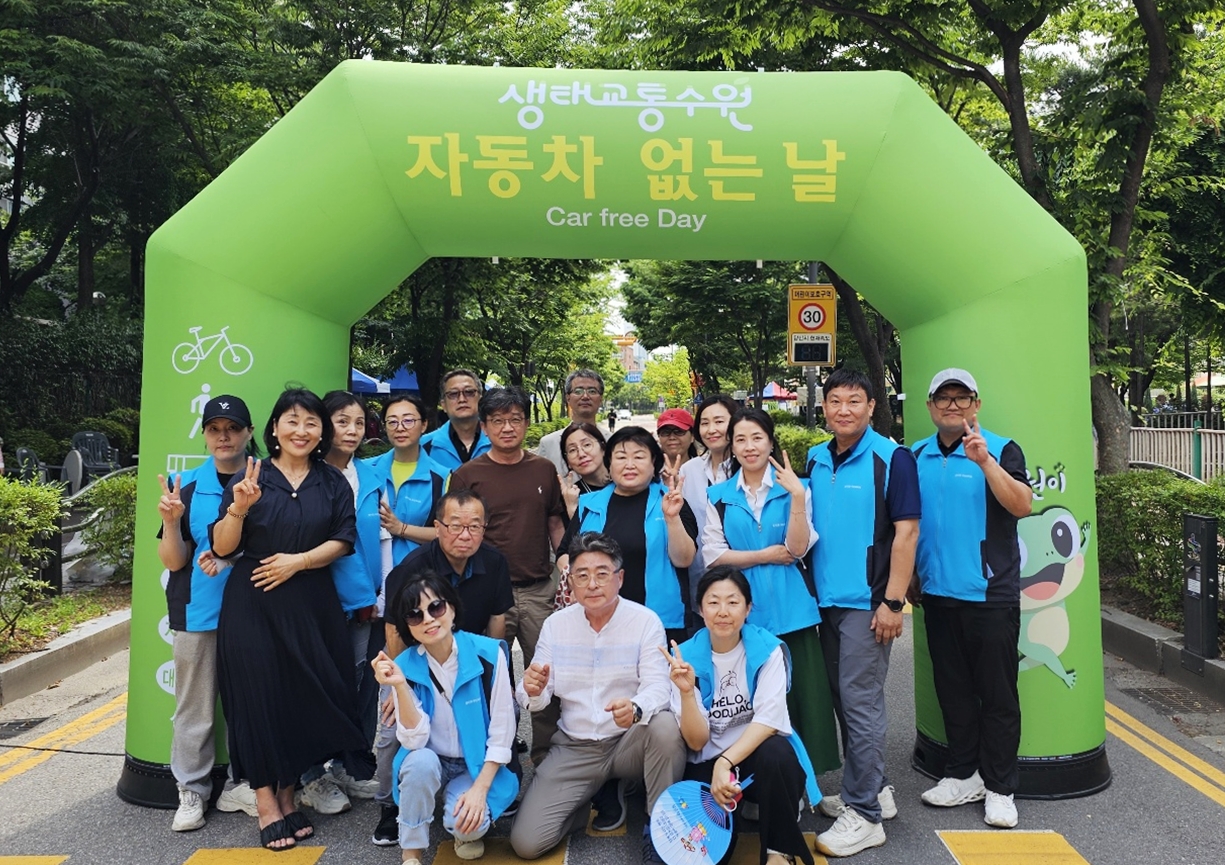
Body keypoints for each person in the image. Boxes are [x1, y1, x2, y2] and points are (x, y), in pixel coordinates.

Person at [209, 388, 370, 851]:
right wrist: (240, 505)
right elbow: (222, 547)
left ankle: (287, 794)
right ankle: (265, 805)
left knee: (300, 699)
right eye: (292, 421)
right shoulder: (249, 475)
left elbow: (343, 540)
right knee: (258, 698)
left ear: (322, 432)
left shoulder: (332, 481)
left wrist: (297, 562)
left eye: (312, 422)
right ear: (275, 427)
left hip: (312, 603)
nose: (302, 430)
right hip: (254, 601)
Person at [509, 532, 685, 863]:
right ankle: (588, 797)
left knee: (664, 728)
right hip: (575, 747)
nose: (592, 584)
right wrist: (531, 689)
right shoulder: (555, 625)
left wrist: (635, 708)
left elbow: (659, 687)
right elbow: (537, 694)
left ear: (620, 578)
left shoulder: (645, 621)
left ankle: (662, 829)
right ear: (570, 581)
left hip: (629, 740)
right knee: (527, 844)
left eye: (602, 573)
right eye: (582, 575)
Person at [804, 369, 920, 858]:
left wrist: (893, 602)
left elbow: (907, 533)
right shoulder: (812, 457)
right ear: (824, 407)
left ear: (872, 407)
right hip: (822, 601)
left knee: (861, 701)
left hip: (867, 604)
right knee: (842, 698)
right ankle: (874, 788)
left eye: (854, 401)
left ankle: (865, 814)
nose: (844, 409)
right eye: (835, 401)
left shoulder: (892, 458)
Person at [910, 368, 1032, 829]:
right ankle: (963, 774)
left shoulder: (1001, 448)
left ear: (976, 405)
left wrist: (984, 462)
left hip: (990, 594)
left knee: (998, 695)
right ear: (930, 408)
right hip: (937, 595)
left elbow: (1022, 504)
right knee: (954, 690)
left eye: (963, 398)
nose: (953, 406)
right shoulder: (915, 455)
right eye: (944, 399)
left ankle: (1001, 787)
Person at [702, 408, 840, 782]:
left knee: (805, 701)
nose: (749, 447)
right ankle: (759, 782)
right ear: (731, 445)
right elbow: (714, 555)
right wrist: (767, 555)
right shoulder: (718, 496)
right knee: (753, 702)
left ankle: (811, 783)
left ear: (770, 441)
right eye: (741, 439)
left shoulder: (798, 487)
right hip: (744, 613)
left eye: (757, 438)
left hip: (794, 609)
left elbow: (797, 548)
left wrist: (796, 497)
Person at [665, 565, 823, 865]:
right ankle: (746, 808)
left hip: (750, 758)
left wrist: (726, 762)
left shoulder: (767, 650)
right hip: (707, 764)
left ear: (748, 608)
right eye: (713, 602)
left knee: (778, 753)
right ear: (700, 609)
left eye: (733, 602)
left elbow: (768, 721)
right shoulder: (684, 659)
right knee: (712, 854)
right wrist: (686, 692)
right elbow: (697, 742)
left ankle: (779, 850)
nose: (723, 611)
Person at [155, 394, 259, 832]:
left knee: (254, 705)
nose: (224, 436)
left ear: (249, 434)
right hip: (198, 615)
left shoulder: (265, 480)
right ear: (204, 435)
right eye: (215, 428)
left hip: (256, 613)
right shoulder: (188, 485)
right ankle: (192, 792)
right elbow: (173, 561)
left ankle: (251, 784)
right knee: (194, 708)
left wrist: (232, 560)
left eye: (233, 428)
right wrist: (175, 522)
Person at [449, 387, 566, 765]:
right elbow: (456, 534)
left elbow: (554, 523)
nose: (507, 427)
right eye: (497, 420)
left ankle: (546, 758)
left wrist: (566, 567)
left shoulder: (543, 469)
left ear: (527, 424)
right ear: (484, 426)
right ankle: (495, 760)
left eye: (515, 419)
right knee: (488, 681)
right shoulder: (468, 474)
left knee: (545, 678)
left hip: (537, 590)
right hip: (486, 592)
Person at [372, 571, 518, 865]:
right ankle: (411, 852)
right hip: (431, 758)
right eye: (415, 615)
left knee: (469, 827)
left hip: (474, 764)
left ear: (451, 609)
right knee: (419, 763)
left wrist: (479, 791)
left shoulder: (488, 654)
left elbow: (503, 732)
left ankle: (460, 818)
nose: (428, 619)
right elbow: (414, 740)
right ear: (408, 626)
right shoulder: (404, 665)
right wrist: (399, 685)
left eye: (435, 607)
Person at [293, 391, 383, 817]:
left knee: (363, 684)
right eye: (342, 421)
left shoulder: (373, 474)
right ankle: (311, 775)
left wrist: (379, 595)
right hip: (319, 600)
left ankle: (351, 763)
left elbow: (382, 540)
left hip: (368, 602)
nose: (351, 430)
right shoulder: (305, 477)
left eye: (359, 423)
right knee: (317, 685)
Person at [559, 426, 698, 646]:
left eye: (639, 456)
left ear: (654, 465)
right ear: (610, 464)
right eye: (621, 457)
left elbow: (684, 559)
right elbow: (565, 553)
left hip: (660, 621)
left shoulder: (671, 500)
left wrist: (672, 518)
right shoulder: (589, 504)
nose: (629, 464)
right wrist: (575, 579)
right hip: (599, 617)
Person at [365, 393, 448, 569]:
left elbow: (447, 532)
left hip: (417, 575)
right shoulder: (366, 470)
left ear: (424, 425)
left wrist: (401, 528)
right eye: (392, 421)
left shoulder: (442, 477)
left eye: (408, 420)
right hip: (370, 576)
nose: (400, 428)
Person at [679, 394, 740, 593]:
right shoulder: (689, 471)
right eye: (704, 423)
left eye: (719, 421)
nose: (711, 429)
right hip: (700, 581)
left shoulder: (747, 469)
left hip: (745, 580)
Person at [537, 369, 606, 474]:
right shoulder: (549, 444)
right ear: (568, 398)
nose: (585, 396)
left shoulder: (612, 440)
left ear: (601, 399)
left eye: (592, 391)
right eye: (578, 391)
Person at [421, 369, 491, 471]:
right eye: (453, 394)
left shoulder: (498, 441)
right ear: (443, 405)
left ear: (480, 399)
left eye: (469, 392)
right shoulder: (424, 446)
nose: (462, 399)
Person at [558, 422, 610, 519]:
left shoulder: (624, 481)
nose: (581, 454)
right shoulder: (571, 497)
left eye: (587, 445)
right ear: (568, 462)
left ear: (603, 448)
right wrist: (572, 508)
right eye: (572, 450)